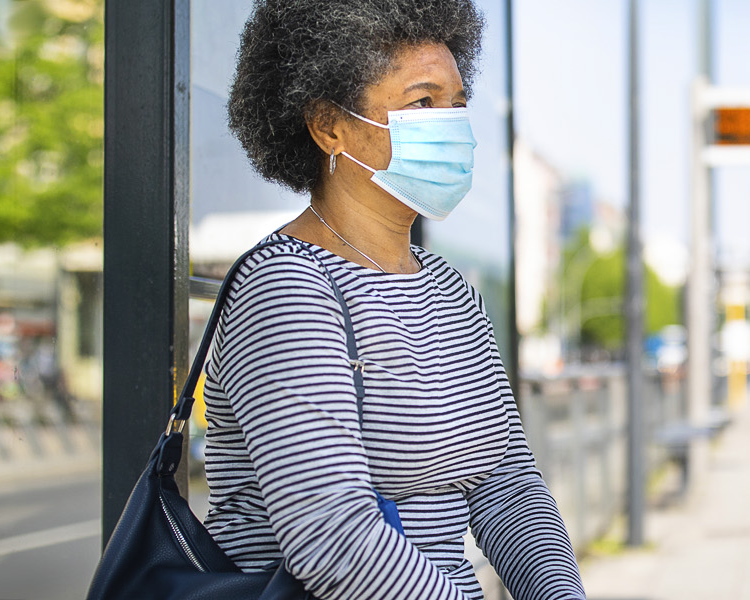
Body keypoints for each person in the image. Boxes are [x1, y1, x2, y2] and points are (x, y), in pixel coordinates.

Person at [202, 1, 582, 598]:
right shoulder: (284, 290)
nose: (452, 123)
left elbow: (506, 483)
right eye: (422, 102)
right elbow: (332, 536)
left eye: (457, 103)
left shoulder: (449, 290)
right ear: (329, 125)